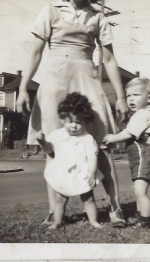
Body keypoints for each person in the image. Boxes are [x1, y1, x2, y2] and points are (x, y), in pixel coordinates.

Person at [16, 0, 128, 227]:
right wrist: (22, 88)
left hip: (87, 81)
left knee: (103, 147)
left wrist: (121, 97)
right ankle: (56, 212)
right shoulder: (51, 11)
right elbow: (35, 53)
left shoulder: (98, 16)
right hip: (55, 83)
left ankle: (116, 210)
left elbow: (110, 59)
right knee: (53, 150)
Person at [36, 92, 104, 229]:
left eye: (79, 123)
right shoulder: (57, 135)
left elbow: (92, 156)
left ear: (85, 121)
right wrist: (42, 141)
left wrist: (91, 172)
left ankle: (93, 221)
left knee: (89, 198)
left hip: (82, 173)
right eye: (70, 121)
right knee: (60, 199)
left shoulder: (87, 138)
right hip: (64, 172)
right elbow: (49, 149)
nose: (74, 126)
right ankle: (57, 222)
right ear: (62, 120)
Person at [103, 77, 150, 228]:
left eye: (135, 95)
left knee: (140, 192)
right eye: (128, 96)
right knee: (138, 190)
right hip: (141, 157)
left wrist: (112, 138)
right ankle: (142, 218)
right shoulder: (140, 114)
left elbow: (129, 133)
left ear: (149, 98)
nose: (130, 99)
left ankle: (146, 222)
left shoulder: (144, 115)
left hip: (144, 156)